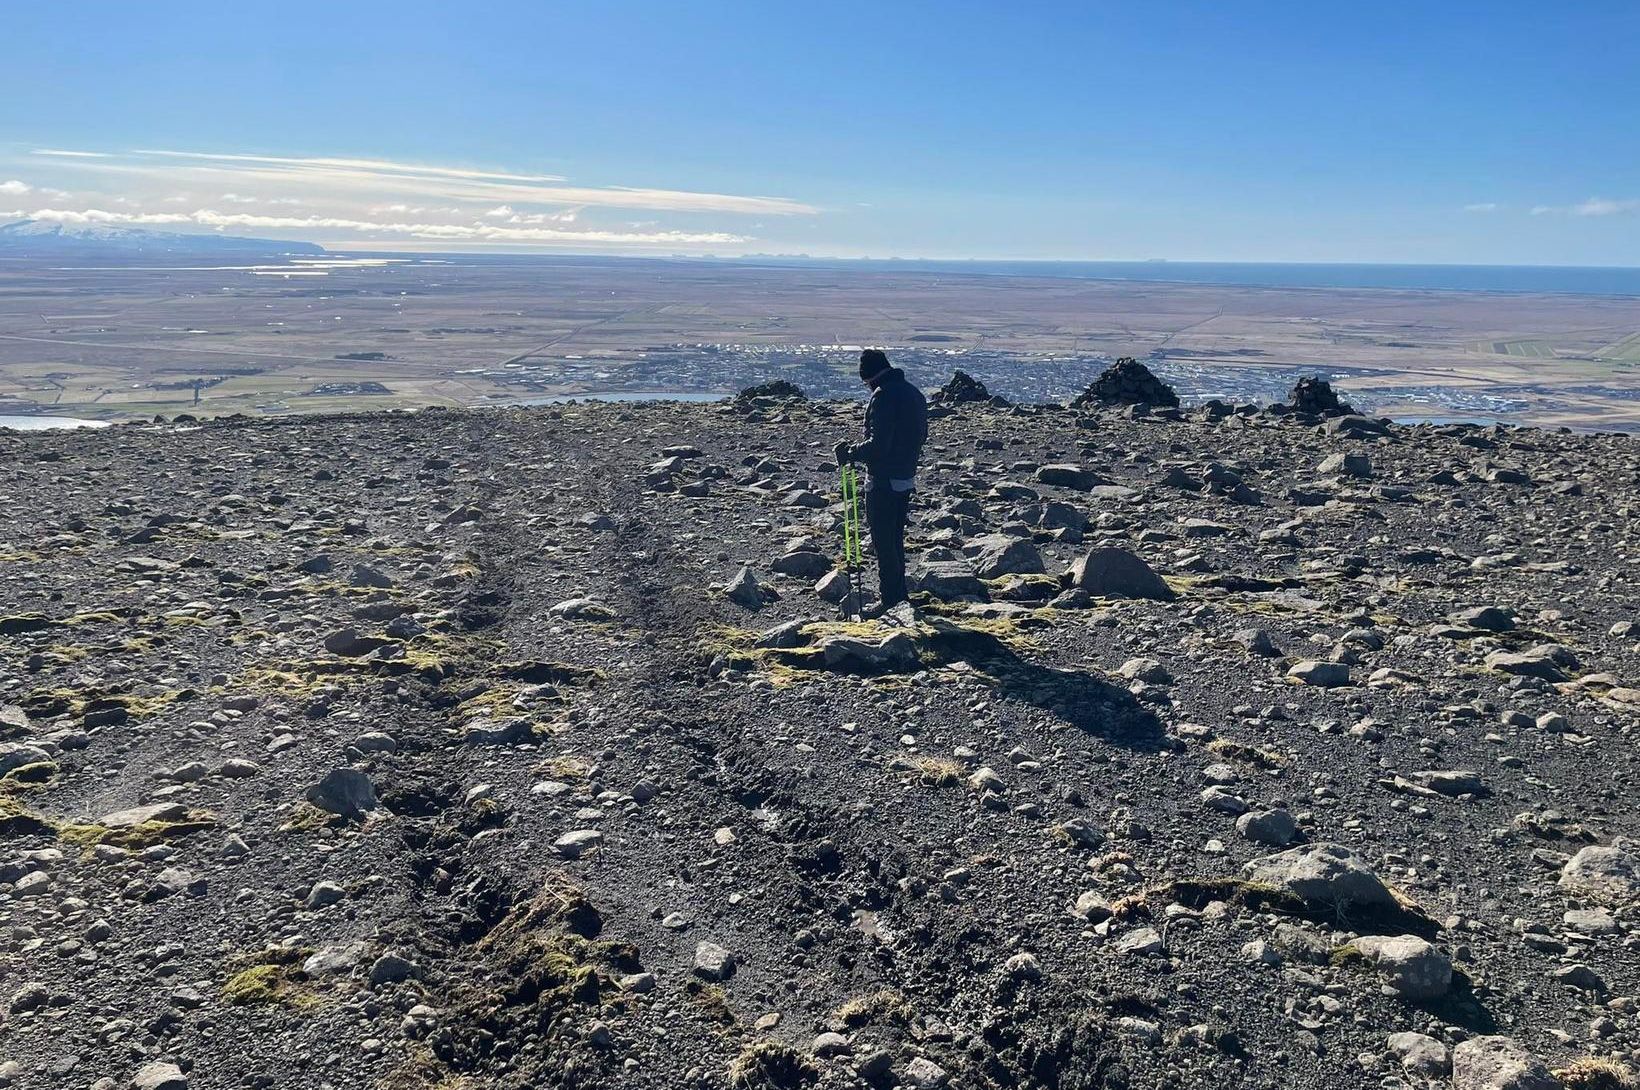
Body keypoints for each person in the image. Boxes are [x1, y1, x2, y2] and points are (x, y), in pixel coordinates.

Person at [834, 349, 927, 613]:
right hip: (905, 476)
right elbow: (921, 436)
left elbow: (879, 445)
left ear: (869, 376)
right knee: (895, 539)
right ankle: (900, 597)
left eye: (865, 382)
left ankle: (890, 601)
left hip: (883, 479)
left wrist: (852, 453)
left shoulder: (883, 396)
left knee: (883, 541)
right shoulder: (913, 393)